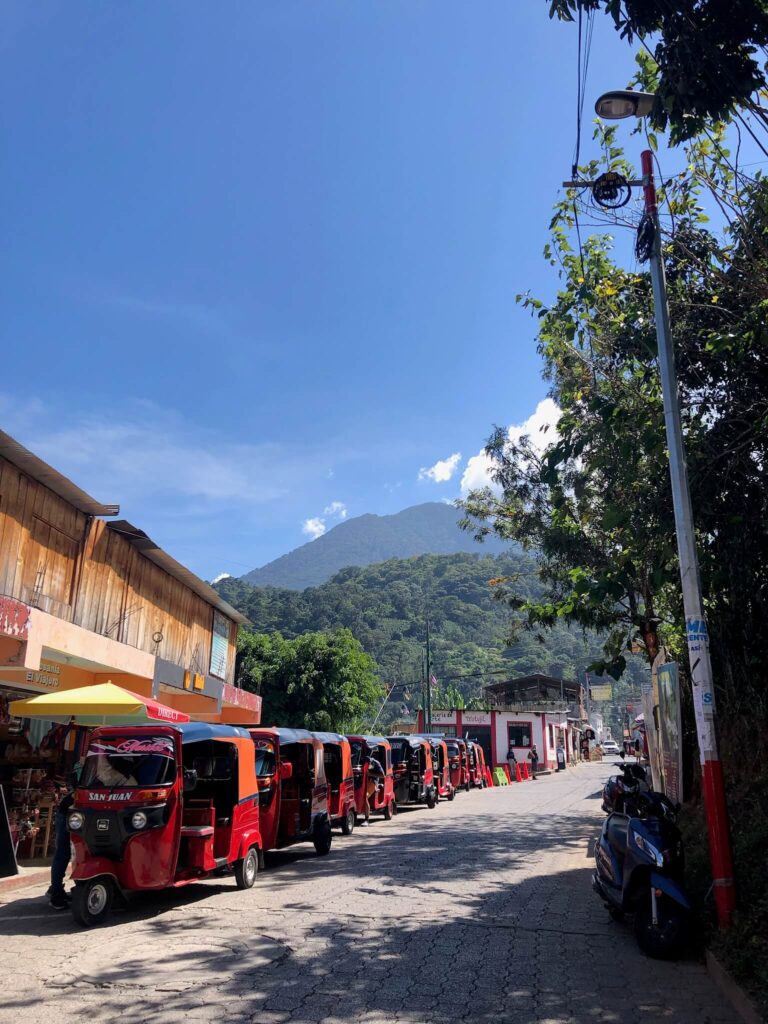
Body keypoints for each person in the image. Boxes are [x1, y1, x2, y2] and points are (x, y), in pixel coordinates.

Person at [48, 765, 79, 910]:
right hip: (68, 813)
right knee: (63, 853)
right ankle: (56, 894)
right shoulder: (89, 766)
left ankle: (56, 889)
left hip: (77, 813)